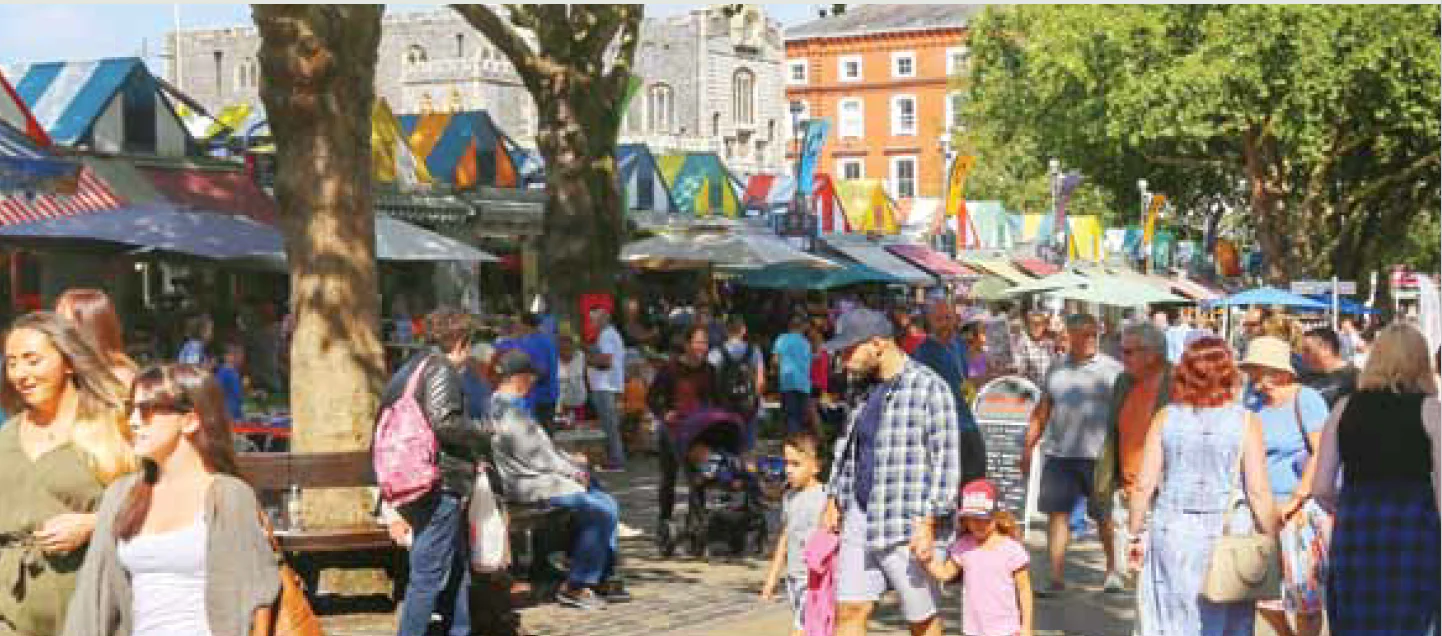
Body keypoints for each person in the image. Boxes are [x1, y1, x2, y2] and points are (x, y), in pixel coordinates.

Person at [63, 364, 280, 636]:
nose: (132, 421)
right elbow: (92, 598)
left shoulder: (228, 496)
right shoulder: (121, 496)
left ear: (189, 420)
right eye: (132, 408)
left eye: (146, 410)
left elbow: (257, 598)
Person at [819, 308, 961, 636]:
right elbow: (847, 446)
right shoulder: (860, 390)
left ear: (879, 343)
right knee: (850, 608)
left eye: (849, 349)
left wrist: (929, 521)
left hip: (906, 521)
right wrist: (833, 498)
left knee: (921, 619)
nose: (843, 358)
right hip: (860, 514)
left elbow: (947, 461)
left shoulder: (929, 387)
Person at [1128, 337, 1278, 635]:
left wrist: (1134, 533)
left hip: (1172, 532)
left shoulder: (1165, 418)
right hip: (1226, 537)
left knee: (1171, 616)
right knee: (1223, 617)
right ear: (1229, 374)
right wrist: (1271, 538)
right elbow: (1258, 492)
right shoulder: (1247, 422)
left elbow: (1143, 486)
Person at [0, 312, 137, 635]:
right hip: (11, 609)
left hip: (89, 605)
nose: (21, 374)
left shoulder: (112, 428)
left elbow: (160, 502)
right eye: (12, 363)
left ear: (69, 363)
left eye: (33, 361)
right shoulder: (5, 437)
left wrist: (95, 524)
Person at [1312, 324, 1440, 634]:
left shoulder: (1344, 408)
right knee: (1410, 621)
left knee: (1357, 621)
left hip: (1357, 527)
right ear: (1420, 362)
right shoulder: (1430, 410)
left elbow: (1321, 488)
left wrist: (1352, 506)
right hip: (1413, 530)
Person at [489, 350, 624, 610]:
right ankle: (578, 585)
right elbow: (539, 458)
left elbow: (541, 452)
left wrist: (570, 461)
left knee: (603, 499)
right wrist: (574, 470)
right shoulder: (509, 412)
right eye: (530, 379)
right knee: (600, 507)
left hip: (535, 477)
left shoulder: (507, 407)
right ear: (519, 379)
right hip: (529, 484)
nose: (531, 385)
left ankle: (598, 576)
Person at [383, 309, 489, 636]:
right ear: (459, 340)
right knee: (427, 575)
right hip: (437, 480)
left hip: (412, 477)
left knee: (455, 564)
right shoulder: (440, 368)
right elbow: (445, 422)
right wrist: (483, 431)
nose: (469, 354)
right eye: (469, 344)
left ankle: (459, 628)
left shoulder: (409, 368)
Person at [1021, 313, 1124, 595]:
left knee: (1104, 517)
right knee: (1058, 516)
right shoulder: (1056, 369)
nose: (1091, 339)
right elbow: (1043, 410)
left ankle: (1113, 570)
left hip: (1099, 457)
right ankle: (1055, 577)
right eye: (1085, 334)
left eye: (1095, 334)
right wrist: (1028, 446)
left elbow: (1127, 415)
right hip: (1059, 453)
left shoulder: (1114, 371)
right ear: (1070, 336)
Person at [1238, 336, 1328, 636]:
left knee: (1305, 597)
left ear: (1278, 371)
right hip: (1258, 509)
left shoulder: (1307, 400)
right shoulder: (1251, 401)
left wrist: (1295, 499)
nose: (1251, 376)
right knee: (1260, 593)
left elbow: (1321, 452)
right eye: (1250, 369)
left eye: (1256, 369)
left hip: (1297, 513)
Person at [1092, 322, 1172, 590]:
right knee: (1135, 579)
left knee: (1160, 579)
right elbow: (1114, 435)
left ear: (1152, 354)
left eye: (1128, 352)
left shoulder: (1177, 384)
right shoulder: (1123, 382)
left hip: (1163, 496)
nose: (1121, 357)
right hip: (1127, 492)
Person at [917, 480, 1033, 636]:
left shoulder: (1012, 549)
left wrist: (1026, 627)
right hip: (973, 629)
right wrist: (926, 560)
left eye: (983, 518)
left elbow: (1024, 591)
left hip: (1007, 629)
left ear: (997, 516)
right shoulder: (963, 546)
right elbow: (945, 573)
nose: (977, 524)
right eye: (970, 518)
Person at [647, 327, 719, 534]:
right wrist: (664, 413)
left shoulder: (710, 371)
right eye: (697, 342)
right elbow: (652, 398)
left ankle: (696, 525)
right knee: (668, 478)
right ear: (687, 344)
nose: (701, 347)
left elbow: (717, 401)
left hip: (699, 431)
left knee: (698, 477)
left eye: (704, 343)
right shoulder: (670, 370)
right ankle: (665, 520)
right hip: (673, 430)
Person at [913, 300, 988, 485]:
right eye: (939, 319)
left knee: (975, 486)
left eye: (948, 318)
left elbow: (968, 378)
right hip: (945, 430)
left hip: (968, 424)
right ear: (929, 322)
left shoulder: (958, 345)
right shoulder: (923, 354)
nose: (946, 323)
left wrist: (992, 375)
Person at [760, 431, 827, 636]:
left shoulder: (826, 496)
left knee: (802, 629)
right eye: (786, 463)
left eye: (796, 464)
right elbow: (785, 537)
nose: (788, 470)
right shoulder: (789, 497)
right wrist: (772, 577)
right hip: (794, 578)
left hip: (817, 578)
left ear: (816, 466)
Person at [55, 288, 139, 390]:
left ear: (89, 328)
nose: (58, 329)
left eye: (66, 323)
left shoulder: (119, 378)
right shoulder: (65, 371)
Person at [709, 316, 765, 451]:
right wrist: (755, 399)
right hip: (748, 404)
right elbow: (760, 380)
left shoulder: (716, 352)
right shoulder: (754, 351)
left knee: (725, 445)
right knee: (748, 446)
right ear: (743, 330)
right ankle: (745, 468)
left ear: (726, 331)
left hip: (724, 404)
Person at [492, 314, 559, 427]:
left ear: (525, 325)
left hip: (538, 398)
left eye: (518, 323)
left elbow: (541, 371)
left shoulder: (534, 342)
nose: (517, 326)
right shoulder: (546, 340)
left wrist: (520, 373)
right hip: (548, 395)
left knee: (537, 437)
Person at [586, 307, 627, 472]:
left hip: (605, 386)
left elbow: (606, 361)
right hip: (609, 385)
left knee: (609, 425)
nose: (592, 323)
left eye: (594, 319)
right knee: (610, 424)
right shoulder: (610, 334)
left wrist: (587, 360)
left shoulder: (606, 335)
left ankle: (616, 460)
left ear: (603, 319)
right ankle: (614, 457)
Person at [1298, 327, 1358, 408]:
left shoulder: (1355, 378)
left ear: (1326, 348)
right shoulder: (1303, 379)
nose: (1303, 356)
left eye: (1308, 351)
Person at [772, 317, 813, 436]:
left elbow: (775, 361)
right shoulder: (806, 343)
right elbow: (809, 364)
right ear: (801, 328)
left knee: (790, 415)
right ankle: (798, 445)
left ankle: (792, 443)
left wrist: (775, 372)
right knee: (800, 417)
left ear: (789, 327)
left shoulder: (781, 339)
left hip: (787, 381)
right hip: (804, 384)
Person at [1013, 312, 1056, 386]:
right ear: (1029, 326)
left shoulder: (1050, 343)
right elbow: (1020, 367)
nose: (1036, 326)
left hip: (1048, 388)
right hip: (1031, 388)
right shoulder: (1023, 343)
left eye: (1039, 324)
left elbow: (1054, 367)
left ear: (1044, 326)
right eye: (1033, 323)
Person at [555, 334, 588, 426]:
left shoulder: (580, 356)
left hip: (578, 400)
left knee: (579, 428)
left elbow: (585, 376)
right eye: (562, 349)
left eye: (568, 348)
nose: (566, 352)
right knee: (562, 430)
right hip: (561, 404)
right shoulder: (554, 359)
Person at [214, 343, 246, 421]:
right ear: (227, 357)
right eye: (236, 355)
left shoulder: (234, 372)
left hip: (236, 413)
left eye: (241, 355)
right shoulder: (223, 372)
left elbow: (237, 393)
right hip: (228, 414)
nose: (240, 358)